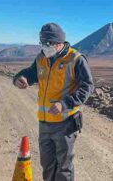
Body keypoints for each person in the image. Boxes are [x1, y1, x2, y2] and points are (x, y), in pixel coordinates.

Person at [13, 22, 94, 181]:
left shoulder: (75, 59)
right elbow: (31, 73)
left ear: (59, 43)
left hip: (65, 122)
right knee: (47, 164)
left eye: (47, 43)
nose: (44, 47)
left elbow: (88, 86)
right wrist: (20, 78)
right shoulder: (41, 58)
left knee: (64, 167)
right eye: (42, 43)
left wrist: (65, 104)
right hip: (44, 123)